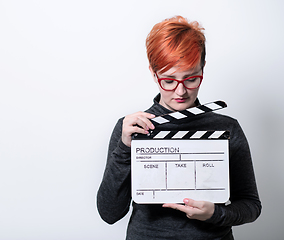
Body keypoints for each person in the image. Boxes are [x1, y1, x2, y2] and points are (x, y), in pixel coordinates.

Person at [97, 16, 261, 240]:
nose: (180, 92)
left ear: (203, 68)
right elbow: (109, 213)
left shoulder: (226, 128)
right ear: (154, 74)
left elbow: (251, 205)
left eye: (191, 79)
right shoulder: (130, 129)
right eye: (169, 80)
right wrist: (125, 149)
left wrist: (217, 213)